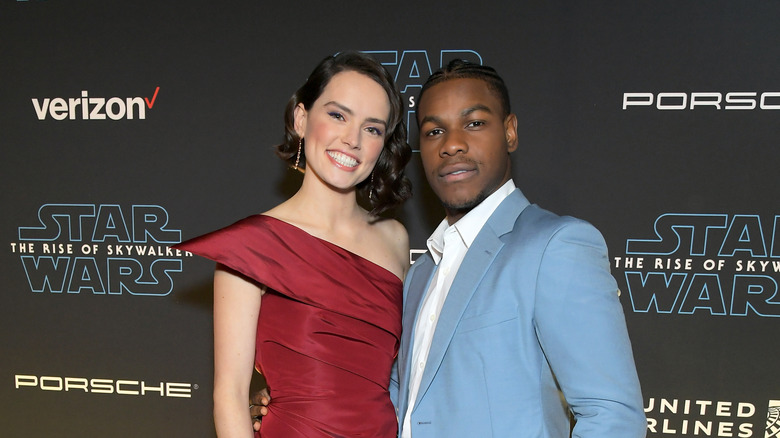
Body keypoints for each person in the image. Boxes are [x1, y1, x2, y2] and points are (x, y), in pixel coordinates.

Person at [391, 60, 646, 437]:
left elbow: (612, 416)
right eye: (433, 131)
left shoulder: (556, 246)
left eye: (474, 123)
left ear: (509, 132)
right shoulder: (421, 271)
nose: (452, 144)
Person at [176, 51, 412, 437]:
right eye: (338, 115)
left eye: (372, 128)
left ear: (383, 144)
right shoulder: (252, 245)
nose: (351, 139)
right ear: (301, 119)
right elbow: (230, 397)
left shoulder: (395, 240)